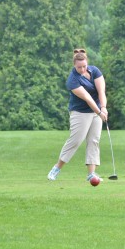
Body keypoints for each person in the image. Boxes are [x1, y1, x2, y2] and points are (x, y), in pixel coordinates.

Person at [47, 48, 108, 182]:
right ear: (74, 65)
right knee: (75, 141)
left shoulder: (95, 71)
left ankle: (91, 174)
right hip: (80, 113)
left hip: (96, 111)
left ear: (87, 63)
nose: (82, 69)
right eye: (79, 67)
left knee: (94, 140)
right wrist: (99, 111)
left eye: (84, 66)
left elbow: (101, 92)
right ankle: (56, 168)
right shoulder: (72, 80)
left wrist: (103, 107)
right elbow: (87, 98)